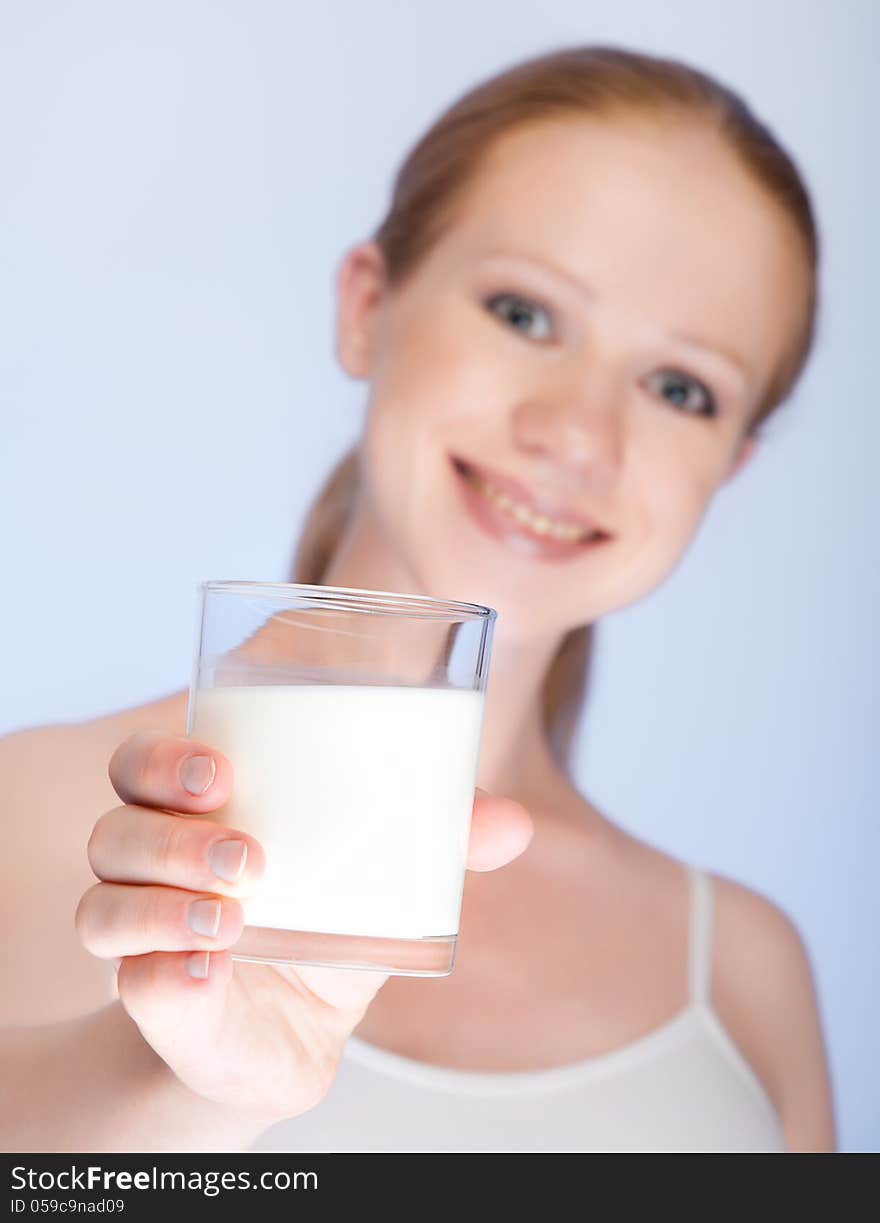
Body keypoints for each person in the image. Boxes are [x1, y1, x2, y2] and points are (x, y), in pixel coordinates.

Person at [0, 44, 835, 1153]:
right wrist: (187, 1088)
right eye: (525, 313)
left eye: (680, 387)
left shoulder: (744, 970)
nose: (578, 435)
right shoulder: (34, 818)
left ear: (727, 464)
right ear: (366, 306)